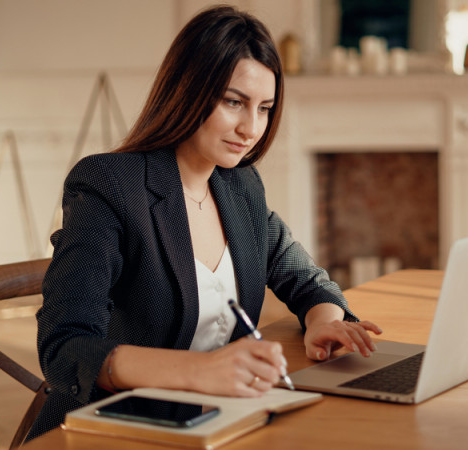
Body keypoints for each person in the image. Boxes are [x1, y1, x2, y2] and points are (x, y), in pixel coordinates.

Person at [27, 4, 382, 440]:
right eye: (234, 102)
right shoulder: (110, 185)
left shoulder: (240, 187)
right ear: (188, 91)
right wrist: (200, 371)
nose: (251, 128)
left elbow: (302, 276)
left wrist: (324, 321)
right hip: (111, 429)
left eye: (265, 108)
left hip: (216, 423)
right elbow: (64, 349)